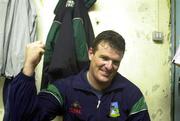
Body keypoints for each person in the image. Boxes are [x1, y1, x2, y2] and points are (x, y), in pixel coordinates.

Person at [8, 30, 151, 121]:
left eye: (115, 62)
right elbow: (26, 117)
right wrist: (28, 67)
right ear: (91, 53)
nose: (109, 66)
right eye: (104, 58)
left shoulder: (132, 94)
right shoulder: (64, 89)